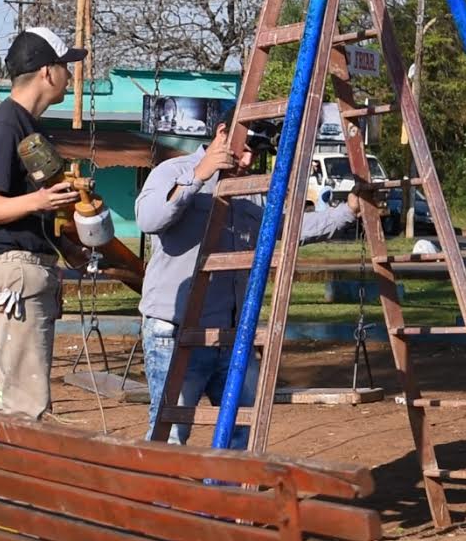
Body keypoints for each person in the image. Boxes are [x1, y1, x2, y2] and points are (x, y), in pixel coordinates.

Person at [135, 113, 362, 450]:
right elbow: (149, 218)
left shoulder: (249, 190)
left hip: (231, 334)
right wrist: (200, 174)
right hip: (176, 329)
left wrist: (348, 211)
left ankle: (231, 499)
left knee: (244, 428)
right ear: (223, 132)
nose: (248, 160)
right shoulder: (173, 171)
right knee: (170, 433)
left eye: (256, 153)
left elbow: (289, 227)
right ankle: (164, 501)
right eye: (244, 149)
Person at [0, 27, 87, 419]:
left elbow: (27, 212)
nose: (71, 75)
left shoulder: (27, 128)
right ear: (46, 72)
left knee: (19, 404)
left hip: (21, 273)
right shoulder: (4, 127)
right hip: (10, 277)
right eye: (66, 66)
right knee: (22, 411)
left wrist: (66, 246)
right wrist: (41, 199)